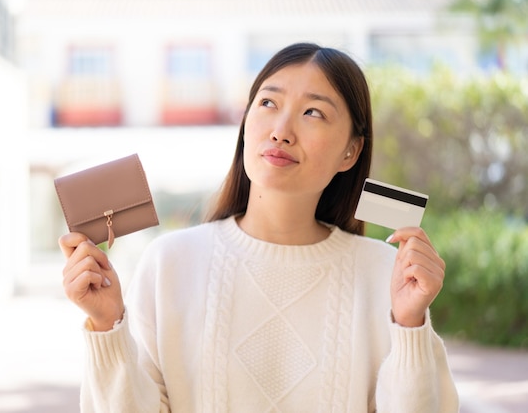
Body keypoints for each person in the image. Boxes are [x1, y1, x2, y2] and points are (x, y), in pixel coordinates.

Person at [59, 42, 460, 412]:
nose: (281, 130)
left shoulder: (384, 272)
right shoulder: (170, 262)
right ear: (246, 121)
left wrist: (410, 326)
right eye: (268, 102)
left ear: (351, 151)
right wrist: (107, 324)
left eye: (313, 112)